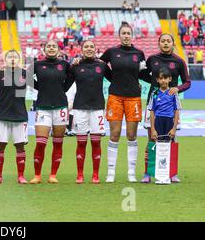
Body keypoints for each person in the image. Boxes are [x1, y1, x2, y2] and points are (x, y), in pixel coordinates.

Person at [140, 34, 190, 183]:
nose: (166, 43)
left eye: (168, 41)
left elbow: (188, 82)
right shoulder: (152, 59)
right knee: (151, 139)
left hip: (170, 106)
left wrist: (177, 88)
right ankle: (147, 173)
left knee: (171, 139)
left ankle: (172, 172)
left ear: (173, 44)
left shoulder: (179, 61)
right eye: (163, 41)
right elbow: (142, 75)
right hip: (154, 103)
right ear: (159, 43)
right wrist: (157, 83)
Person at [100, 22, 146, 183]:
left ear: (132, 35)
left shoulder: (139, 53)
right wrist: (112, 78)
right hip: (115, 97)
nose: (126, 35)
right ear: (119, 36)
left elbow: (142, 73)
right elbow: (100, 66)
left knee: (131, 135)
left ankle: (131, 172)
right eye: (123, 33)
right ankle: (111, 172)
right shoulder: (112, 52)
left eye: (128, 33)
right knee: (115, 134)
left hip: (133, 97)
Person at [67, 41, 111, 184]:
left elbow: (115, 79)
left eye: (92, 47)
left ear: (95, 49)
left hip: (97, 108)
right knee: (81, 143)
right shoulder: (76, 66)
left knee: (96, 143)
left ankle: (95, 175)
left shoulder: (102, 66)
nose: (89, 49)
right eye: (86, 47)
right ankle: (80, 175)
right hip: (80, 108)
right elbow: (65, 84)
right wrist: (70, 66)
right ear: (81, 49)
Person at [28, 40, 71, 184]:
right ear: (44, 50)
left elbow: (71, 79)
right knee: (41, 143)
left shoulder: (64, 65)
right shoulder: (37, 64)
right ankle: (37, 175)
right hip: (43, 107)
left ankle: (53, 175)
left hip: (60, 107)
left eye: (54, 46)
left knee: (58, 143)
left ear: (58, 50)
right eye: (49, 46)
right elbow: (27, 77)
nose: (51, 48)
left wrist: (62, 89)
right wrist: (40, 87)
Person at [0, 50, 32, 184]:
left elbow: (38, 86)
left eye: (15, 57)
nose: (12, 59)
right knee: (0, 146)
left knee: (20, 146)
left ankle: (21, 176)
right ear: (5, 59)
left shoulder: (25, 74)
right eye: (10, 57)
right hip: (2, 115)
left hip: (20, 115)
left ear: (19, 59)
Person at [147, 68, 181, 184]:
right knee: (158, 147)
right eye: (160, 78)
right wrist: (153, 129)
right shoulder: (155, 93)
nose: (163, 81)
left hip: (169, 122)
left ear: (170, 79)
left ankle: (173, 174)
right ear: (157, 80)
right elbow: (151, 111)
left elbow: (177, 110)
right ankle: (155, 173)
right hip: (158, 122)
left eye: (165, 78)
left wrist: (174, 128)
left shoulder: (173, 93)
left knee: (171, 147)